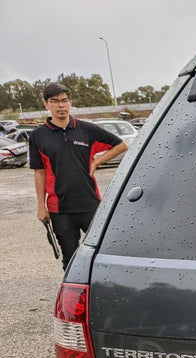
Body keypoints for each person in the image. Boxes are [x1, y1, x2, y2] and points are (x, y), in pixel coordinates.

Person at [29, 82, 128, 269]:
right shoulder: (38, 136)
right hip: (60, 209)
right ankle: (75, 297)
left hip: (90, 204)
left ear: (70, 102)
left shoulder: (86, 130)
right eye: (55, 101)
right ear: (46, 105)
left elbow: (121, 145)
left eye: (65, 100)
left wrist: (97, 162)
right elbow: (39, 173)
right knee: (71, 260)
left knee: (101, 255)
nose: (61, 105)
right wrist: (40, 207)